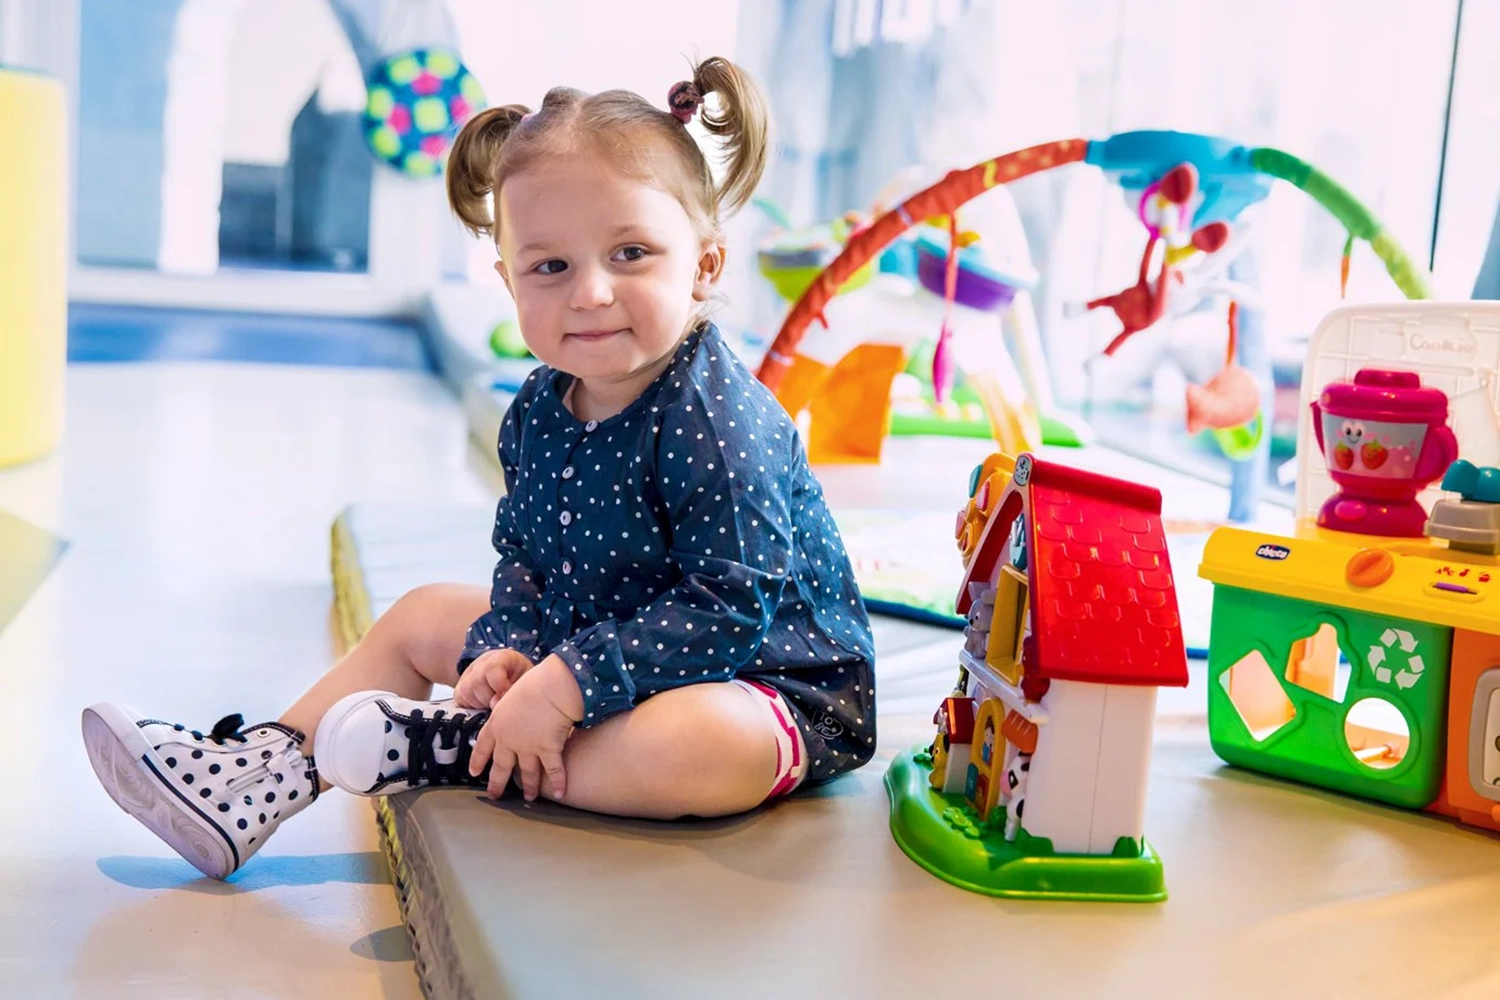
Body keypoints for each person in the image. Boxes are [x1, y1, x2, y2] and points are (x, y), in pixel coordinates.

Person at [81, 56, 877, 880]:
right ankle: (257, 775)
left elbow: (729, 608)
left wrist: (563, 685)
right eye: (551, 267)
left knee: (701, 747)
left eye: (632, 253)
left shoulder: (719, 419)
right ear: (508, 281)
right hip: (597, 642)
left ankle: (455, 752)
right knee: (425, 612)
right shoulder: (538, 409)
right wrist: (510, 651)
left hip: (763, 683)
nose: (592, 293)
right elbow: (530, 560)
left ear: (705, 265)